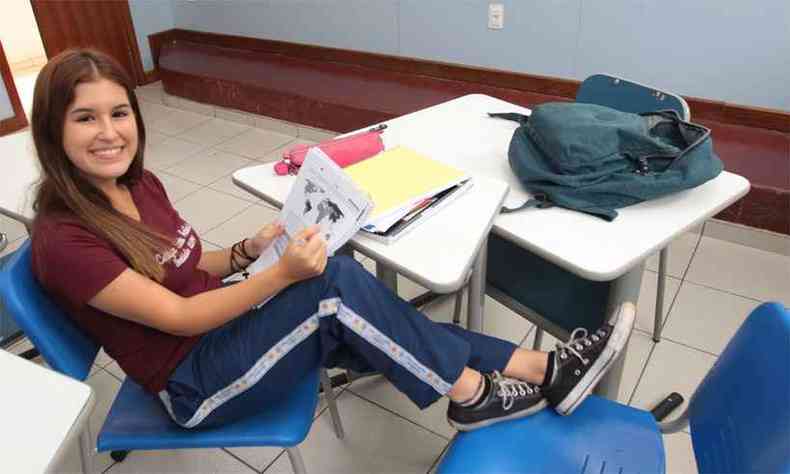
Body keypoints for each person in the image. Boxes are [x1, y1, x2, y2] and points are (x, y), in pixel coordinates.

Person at [30, 49, 635, 432]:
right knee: (336, 287)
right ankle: (472, 394)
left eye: (119, 113)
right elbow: (184, 315)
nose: (109, 132)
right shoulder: (64, 241)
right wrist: (279, 274)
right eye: (86, 117)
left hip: (223, 335)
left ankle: (546, 369)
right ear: (54, 131)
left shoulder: (140, 184)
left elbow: (185, 266)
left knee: (388, 317)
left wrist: (247, 250)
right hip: (194, 384)